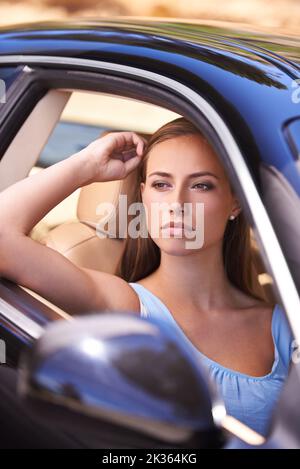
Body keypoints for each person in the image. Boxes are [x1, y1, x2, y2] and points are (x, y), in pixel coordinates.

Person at [0, 117, 294, 438]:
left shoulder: (282, 323)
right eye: (161, 185)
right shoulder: (122, 303)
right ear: (143, 196)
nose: (177, 205)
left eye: (201, 185)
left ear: (235, 201)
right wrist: (85, 165)